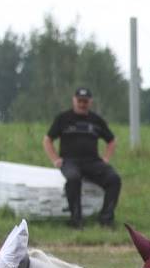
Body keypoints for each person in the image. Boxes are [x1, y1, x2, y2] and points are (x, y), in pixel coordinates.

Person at [43, 87, 121, 229]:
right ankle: (76, 220)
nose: (82, 104)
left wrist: (106, 158)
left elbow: (111, 140)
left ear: (90, 102)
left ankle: (106, 219)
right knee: (73, 179)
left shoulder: (96, 120)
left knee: (114, 179)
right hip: (70, 161)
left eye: (85, 101)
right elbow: (48, 139)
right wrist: (55, 159)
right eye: (79, 101)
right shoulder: (63, 118)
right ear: (74, 100)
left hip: (92, 161)